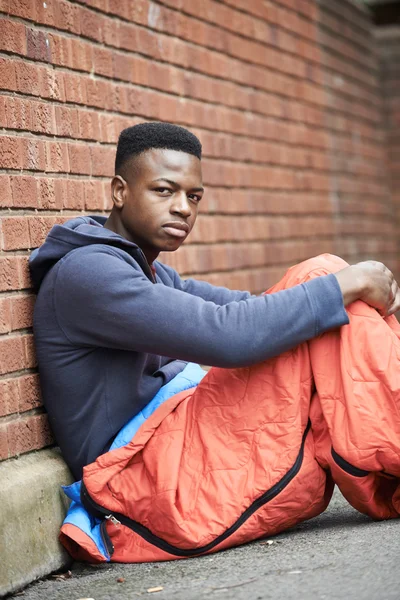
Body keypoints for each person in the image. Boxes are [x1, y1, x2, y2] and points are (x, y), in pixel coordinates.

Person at [29, 122, 400, 563]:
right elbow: (229, 336)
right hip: (141, 482)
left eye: (194, 196)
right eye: (164, 191)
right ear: (119, 191)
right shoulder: (89, 274)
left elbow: (256, 308)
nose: (183, 208)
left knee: (322, 297)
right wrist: (348, 281)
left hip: (176, 454)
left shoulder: (147, 271)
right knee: (323, 279)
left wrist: (344, 286)